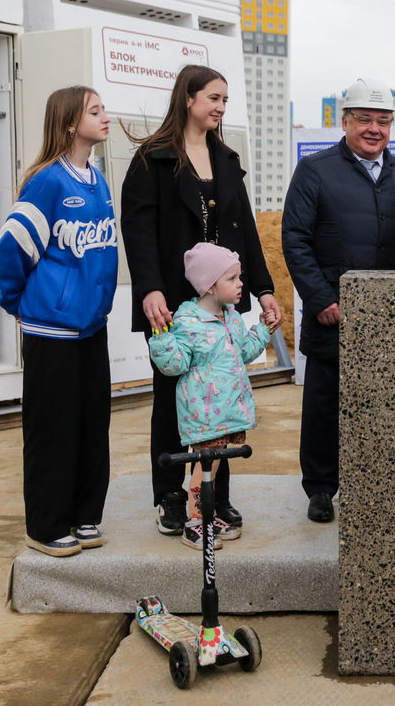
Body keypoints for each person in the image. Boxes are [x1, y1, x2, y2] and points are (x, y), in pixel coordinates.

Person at [121, 65, 283, 537]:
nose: (220, 107)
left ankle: (215, 496)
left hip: (222, 305)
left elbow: (246, 231)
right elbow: (138, 230)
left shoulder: (227, 159)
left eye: (225, 101)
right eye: (213, 98)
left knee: (223, 399)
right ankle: (172, 497)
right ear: (188, 98)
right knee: (172, 399)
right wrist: (149, 287)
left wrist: (264, 288)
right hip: (172, 303)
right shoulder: (153, 158)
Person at [282, 78, 395, 522]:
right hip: (335, 317)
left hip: (392, 322)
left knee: (390, 406)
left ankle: (383, 485)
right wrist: (320, 299)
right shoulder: (315, 171)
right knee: (325, 408)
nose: (374, 129)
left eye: (383, 121)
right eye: (365, 119)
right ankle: (322, 489)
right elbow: (295, 240)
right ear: (344, 121)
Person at [0, 86, 118, 557]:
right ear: (69, 122)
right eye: (94, 110)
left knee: (91, 424)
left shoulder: (97, 180)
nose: (104, 117)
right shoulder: (47, 182)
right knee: (53, 428)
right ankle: (46, 525)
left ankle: (84, 514)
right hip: (52, 331)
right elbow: (11, 247)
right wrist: (20, 303)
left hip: (92, 327)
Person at [148, 243, 273, 549]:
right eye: (232, 278)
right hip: (204, 415)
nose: (241, 283)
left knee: (211, 471)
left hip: (225, 413)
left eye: (239, 277)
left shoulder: (231, 318)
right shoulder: (188, 323)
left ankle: (206, 514)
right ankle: (194, 523)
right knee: (202, 471)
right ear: (210, 285)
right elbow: (174, 365)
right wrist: (162, 338)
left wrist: (263, 331)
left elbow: (243, 351)